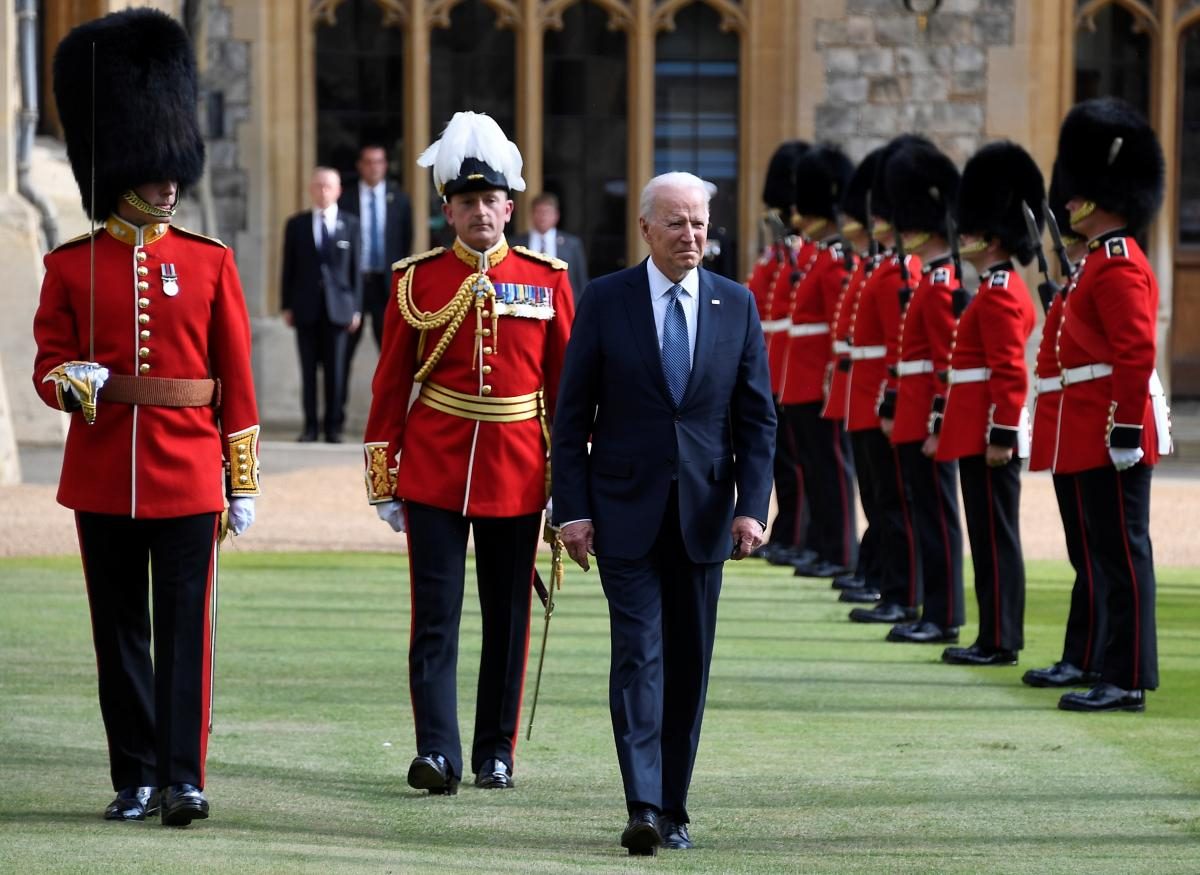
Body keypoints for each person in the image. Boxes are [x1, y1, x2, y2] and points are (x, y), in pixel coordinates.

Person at [33, 7, 260, 827]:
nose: (171, 183)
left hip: (191, 468)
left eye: (174, 170)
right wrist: (75, 383)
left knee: (186, 634)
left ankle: (182, 776)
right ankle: (133, 773)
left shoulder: (208, 263)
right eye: (157, 170)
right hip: (103, 467)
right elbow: (46, 364)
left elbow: (235, 377)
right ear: (122, 167)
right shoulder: (71, 264)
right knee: (119, 633)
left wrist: (241, 481)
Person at [552, 172, 775, 855]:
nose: (692, 235)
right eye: (677, 223)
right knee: (639, 658)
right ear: (646, 229)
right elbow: (570, 420)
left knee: (688, 664)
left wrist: (752, 508)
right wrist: (573, 511)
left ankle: (675, 805)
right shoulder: (605, 299)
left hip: (706, 516)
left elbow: (757, 419)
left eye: (701, 223)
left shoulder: (736, 304)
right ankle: (643, 804)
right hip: (623, 514)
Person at [364, 111, 575, 793]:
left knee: (507, 618)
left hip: (517, 470)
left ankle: (495, 752)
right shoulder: (414, 280)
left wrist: (568, 483)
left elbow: (566, 391)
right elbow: (391, 383)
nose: (480, 212)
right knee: (435, 616)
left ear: (508, 207)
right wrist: (384, 477)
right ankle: (437, 750)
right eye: (467, 202)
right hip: (434, 467)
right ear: (448, 212)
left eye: (490, 201)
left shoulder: (547, 279)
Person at [1052, 97, 1169, 713]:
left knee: (1124, 554)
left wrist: (1125, 427)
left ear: (1103, 193)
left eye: (1077, 192)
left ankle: (1126, 679)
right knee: (1104, 553)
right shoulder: (1096, 261)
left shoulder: (1119, 263)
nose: (1068, 202)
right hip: (1096, 422)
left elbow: (1135, 352)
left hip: (1113, 426)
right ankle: (1108, 666)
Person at [935, 141, 1041, 667]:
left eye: (974, 229)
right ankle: (993, 634)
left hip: (990, 434)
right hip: (979, 428)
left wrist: (1000, 434)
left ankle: (1000, 639)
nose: (965, 236)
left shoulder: (1000, 292)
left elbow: (1007, 371)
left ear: (994, 236)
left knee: (996, 537)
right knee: (988, 534)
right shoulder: (992, 288)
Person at [866, 138, 965, 636]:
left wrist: (939, 423)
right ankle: (929, 609)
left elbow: (948, 361)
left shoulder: (942, 280)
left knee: (937, 519)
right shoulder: (929, 277)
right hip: (911, 411)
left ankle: (943, 616)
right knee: (917, 512)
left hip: (927, 416)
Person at [1022, 178, 1104, 688]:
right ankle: (1083, 653)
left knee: (1099, 554)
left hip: (1093, 423)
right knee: (1086, 552)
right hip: (1069, 424)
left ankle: (1093, 657)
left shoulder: (1109, 268)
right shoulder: (1081, 279)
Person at [842, 142, 921, 612]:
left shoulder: (901, 271)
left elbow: (899, 345)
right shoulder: (883, 267)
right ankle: (884, 579)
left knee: (892, 501)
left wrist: (890, 398)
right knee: (876, 496)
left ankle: (900, 590)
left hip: (880, 395)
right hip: (865, 392)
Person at [781, 144, 858, 579]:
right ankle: (822, 544)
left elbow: (838, 327)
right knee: (815, 467)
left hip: (820, 381)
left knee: (832, 469)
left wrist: (833, 376)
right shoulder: (820, 259)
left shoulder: (834, 261)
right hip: (802, 379)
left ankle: (840, 551)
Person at [281, 167, 362, 442]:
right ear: (310, 189)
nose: (323, 191)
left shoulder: (351, 224)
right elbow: (288, 268)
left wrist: (356, 308)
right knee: (308, 372)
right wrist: (286, 305)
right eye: (318, 186)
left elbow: (356, 270)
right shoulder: (297, 224)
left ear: (338, 190)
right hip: (305, 307)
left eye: (328, 186)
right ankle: (310, 427)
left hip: (339, 308)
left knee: (336, 371)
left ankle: (333, 427)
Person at [340, 143, 413, 399]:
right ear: (360, 166)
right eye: (368, 162)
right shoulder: (345, 199)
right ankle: (334, 422)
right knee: (342, 353)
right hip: (354, 284)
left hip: (386, 284)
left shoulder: (400, 199)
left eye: (379, 162)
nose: (374, 167)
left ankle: (390, 414)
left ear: (385, 166)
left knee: (391, 354)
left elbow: (405, 243)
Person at [510, 192, 588, 301]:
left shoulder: (572, 245)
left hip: (562, 304)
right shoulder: (515, 244)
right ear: (532, 214)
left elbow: (580, 282)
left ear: (556, 216)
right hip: (527, 305)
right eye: (539, 212)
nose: (543, 216)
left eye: (547, 212)